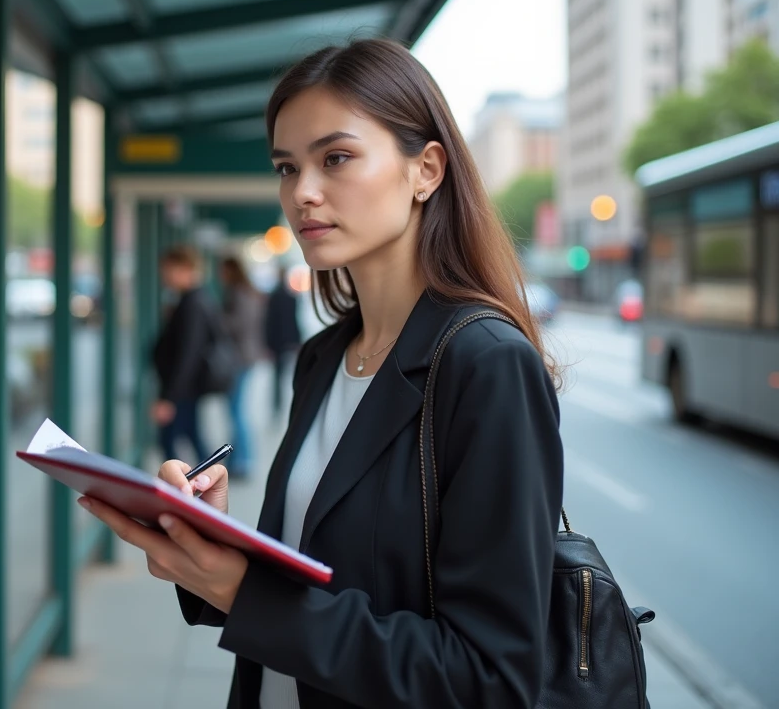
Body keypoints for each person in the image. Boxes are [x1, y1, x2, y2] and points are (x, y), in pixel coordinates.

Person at [80, 38, 564, 708]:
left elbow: (489, 682)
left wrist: (241, 592)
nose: (302, 192)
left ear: (426, 170)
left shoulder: (486, 365)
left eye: (336, 158)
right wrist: (215, 549)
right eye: (286, 167)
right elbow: (319, 586)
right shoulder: (325, 356)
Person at [150, 245, 219, 465]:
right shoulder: (192, 300)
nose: (166, 277)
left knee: (170, 439)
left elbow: (188, 354)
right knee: (189, 434)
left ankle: (181, 489)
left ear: (185, 269)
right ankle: (203, 481)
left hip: (182, 390)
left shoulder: (193, 303)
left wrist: (169, 397)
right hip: (184, 388)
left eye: (169, 271)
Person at [219, 256, 266, 478]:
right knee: (237, 410)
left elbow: (239, 323)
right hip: (245, 357)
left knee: (237, 411)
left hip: (240, 358)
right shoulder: (247, 291)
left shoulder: (239, 292)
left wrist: (217, 321)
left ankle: (243, 460)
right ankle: (240, 459)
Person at [263, 265, 302, 417]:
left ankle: (278, 406)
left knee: (279, 377)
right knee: (289, 375)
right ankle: (283, 405)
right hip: (287, 342)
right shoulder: (290, 297)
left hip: (279, 343)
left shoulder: (276, 296)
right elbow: (293, 321)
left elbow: (269, 322)